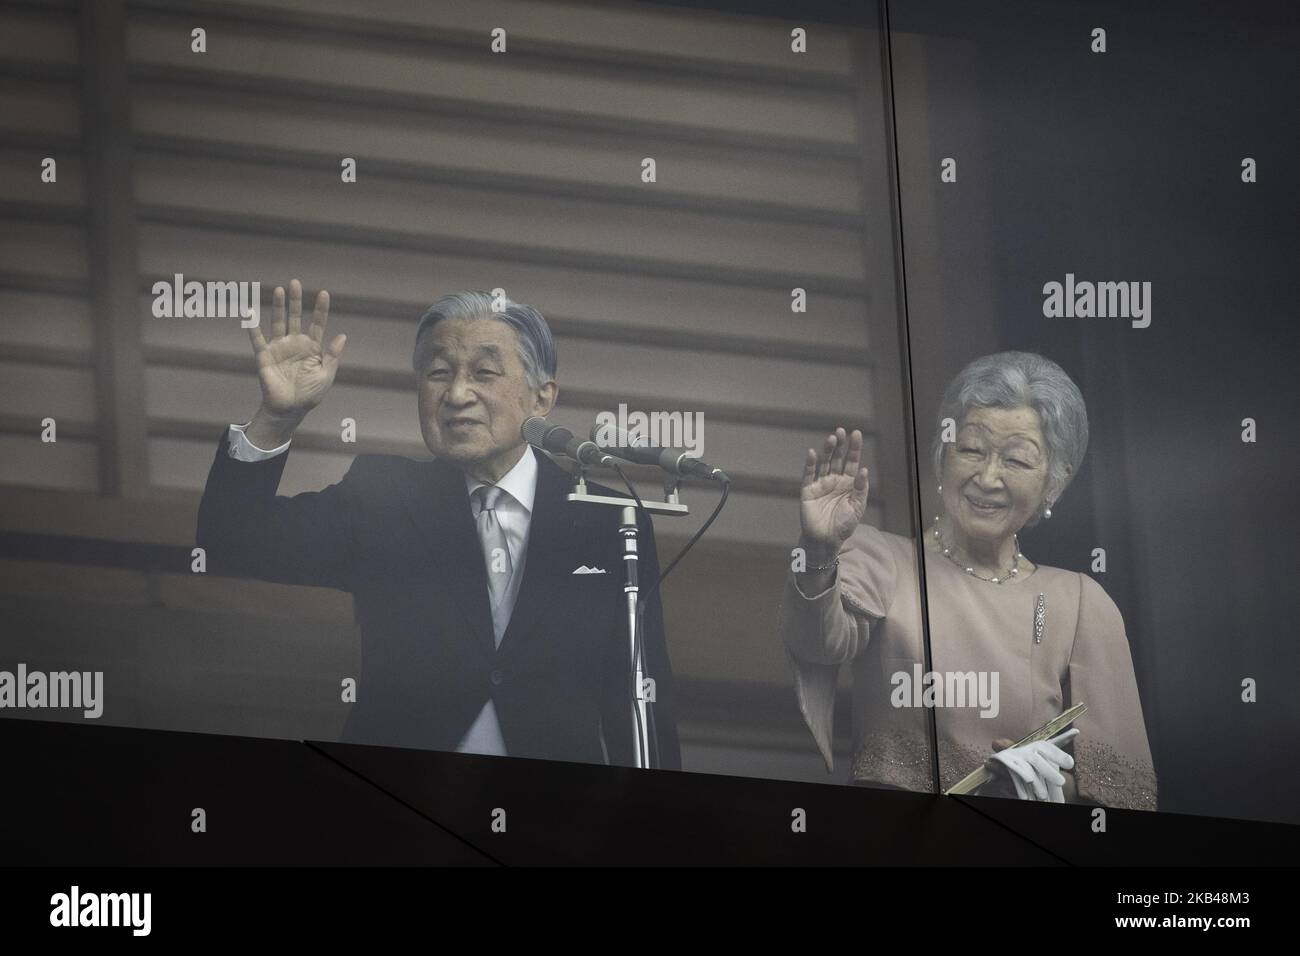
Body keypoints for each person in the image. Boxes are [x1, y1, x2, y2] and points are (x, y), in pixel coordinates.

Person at [195, 281, 680, 768]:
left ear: (541, 397)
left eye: (484, 373)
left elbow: (640, 701)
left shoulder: (609, 520)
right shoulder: (382, 497)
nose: (457, 394)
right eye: (438, 373)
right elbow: (231, 543)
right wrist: (276, 419)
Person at [778, 351, 1156, 809]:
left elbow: (1122, 795)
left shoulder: (1080, 604)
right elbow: (817, 641)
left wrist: (1050, 789)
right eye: (972, 449)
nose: (988, 477)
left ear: (1053, 483)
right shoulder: (882, 558)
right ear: (942, 456)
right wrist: (818, 549)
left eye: (1016, 460)